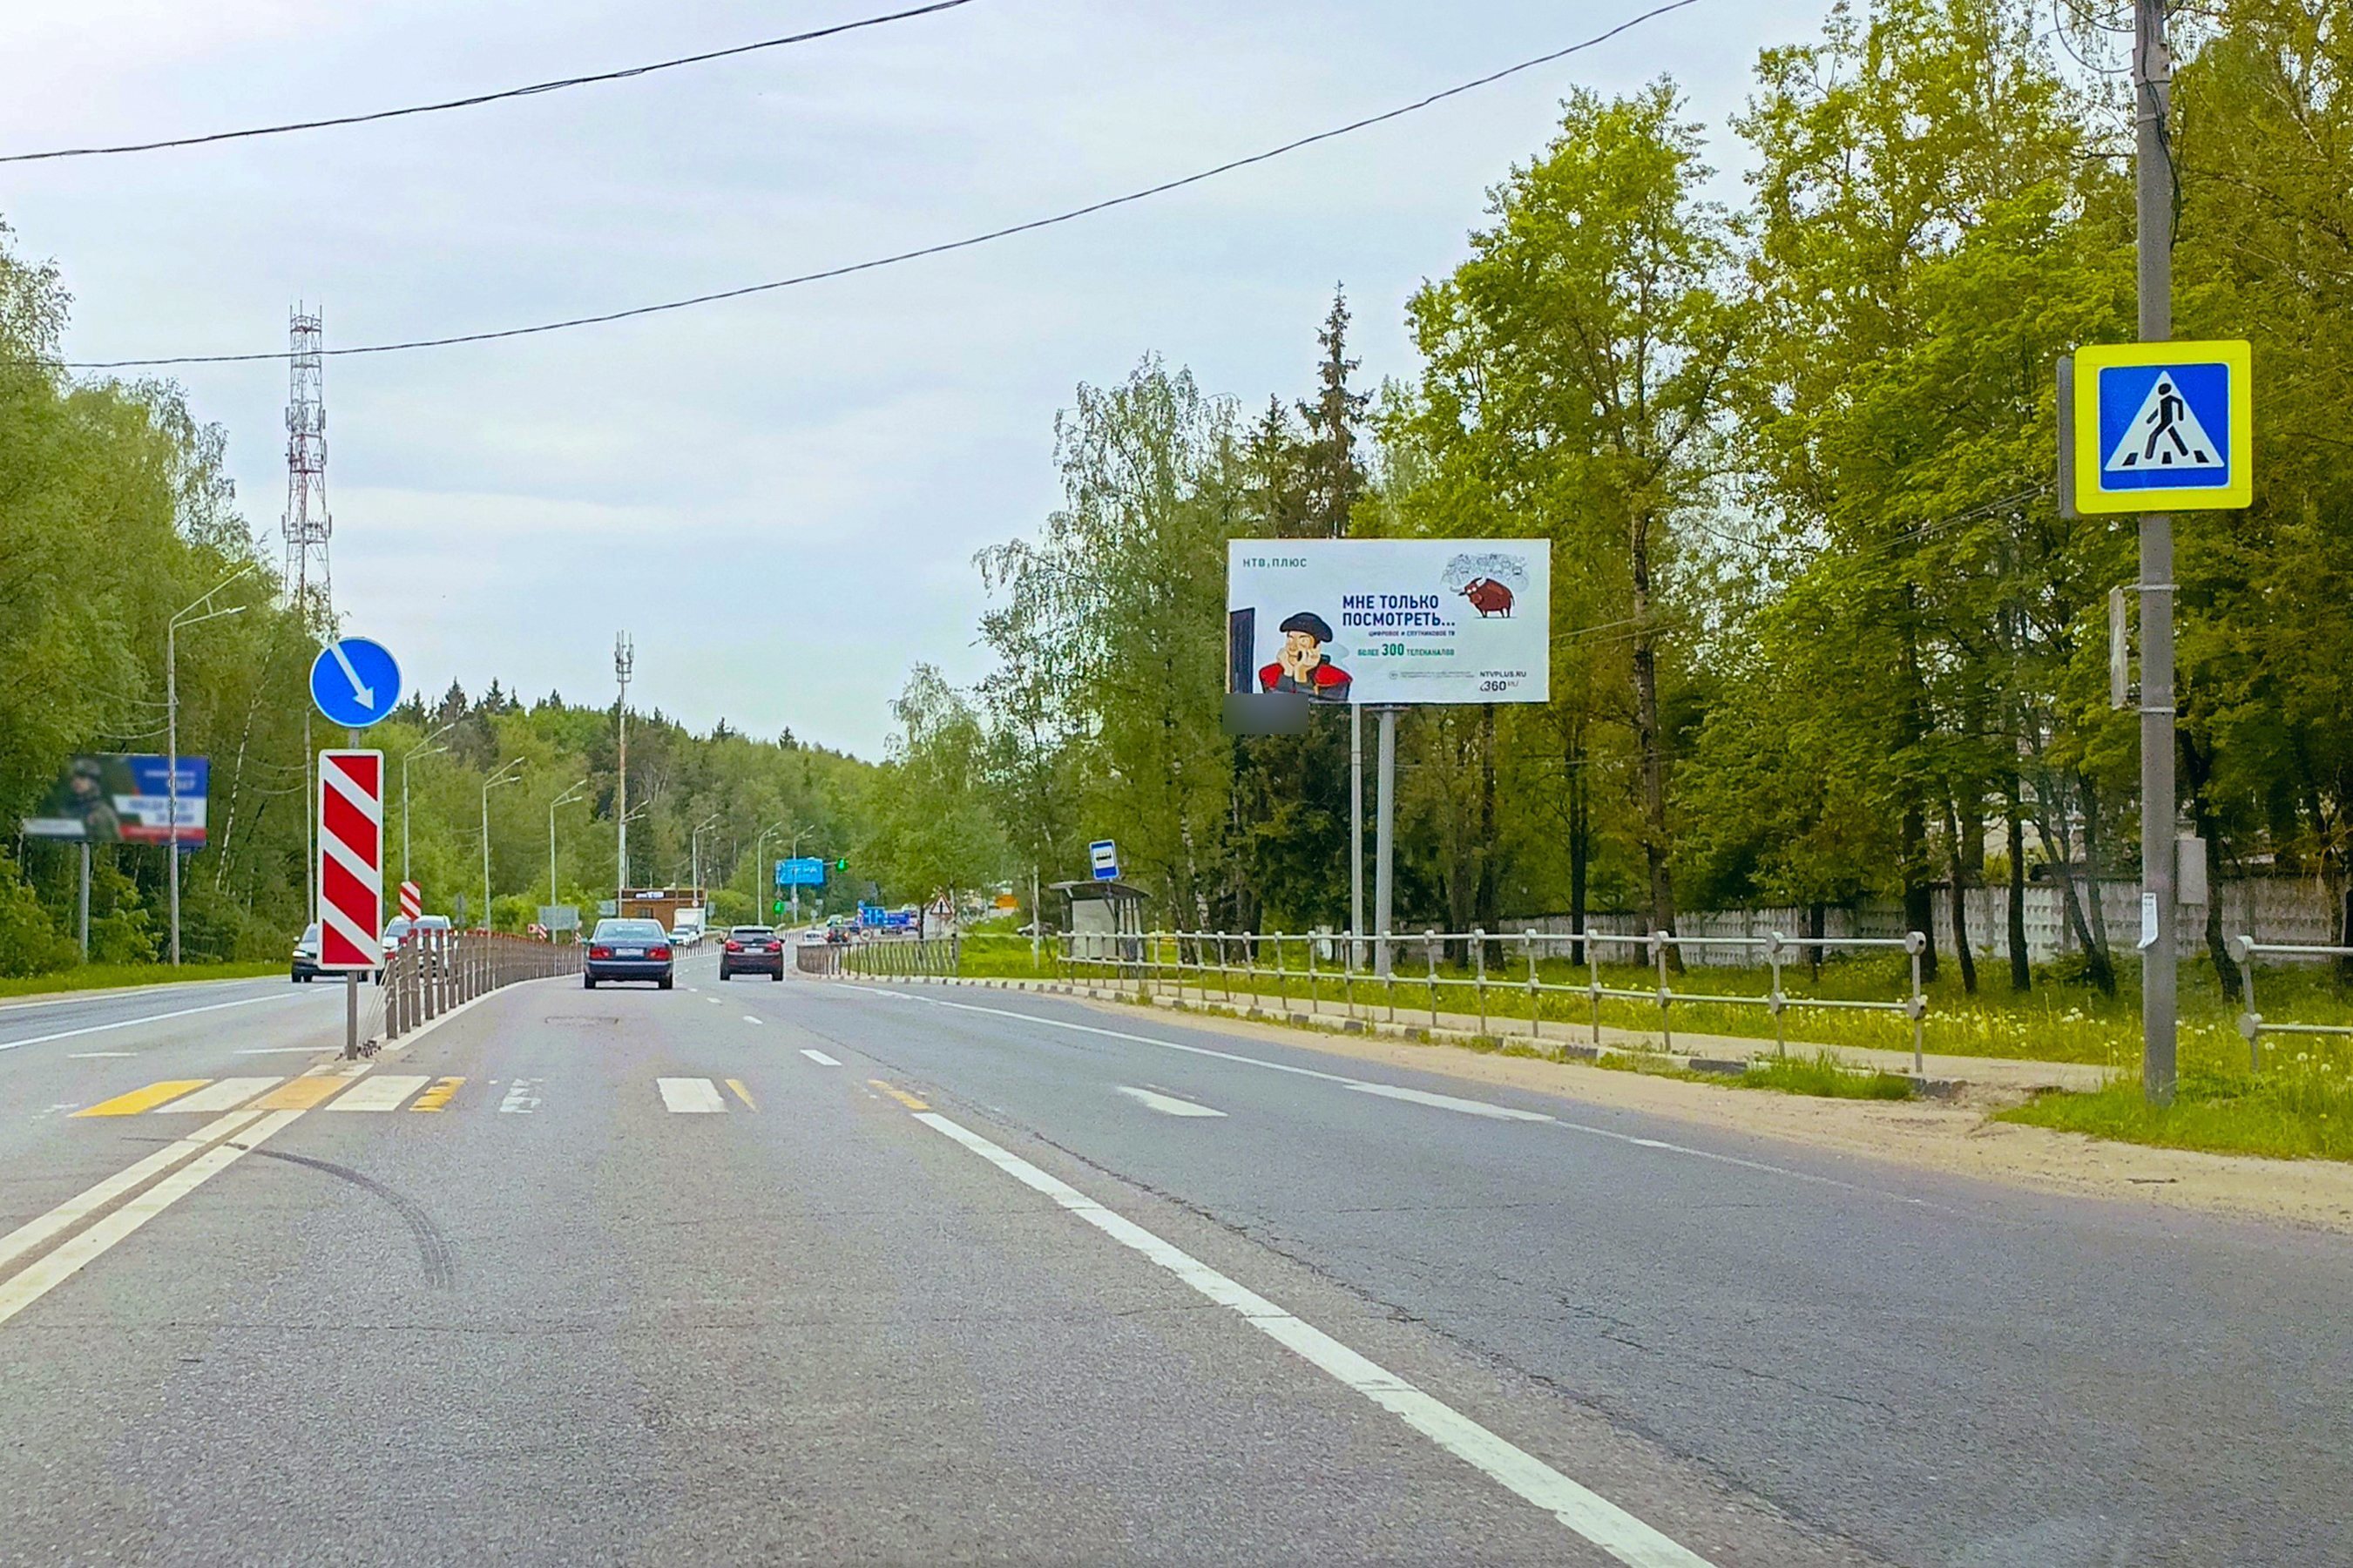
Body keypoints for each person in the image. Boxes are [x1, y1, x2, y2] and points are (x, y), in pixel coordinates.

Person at [1258, 612, 1352, 703]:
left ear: (1316, 647)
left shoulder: (1336, 678)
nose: (1293, 647)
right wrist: (1287, 673)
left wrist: (1301, 674)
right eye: (1290, 639)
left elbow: (1318, 714)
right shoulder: (1269, 673)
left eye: (1303, 641)